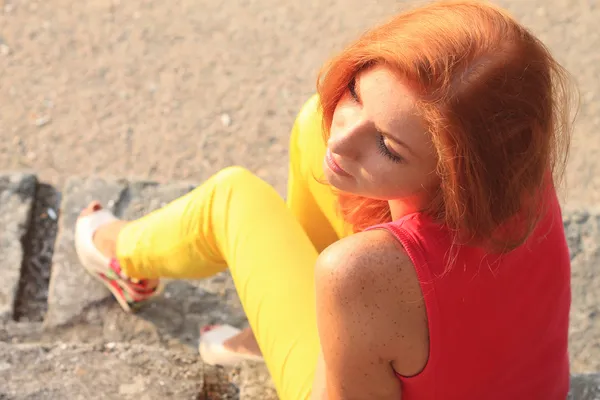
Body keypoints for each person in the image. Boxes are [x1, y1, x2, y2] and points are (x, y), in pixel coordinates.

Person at [74, 1, 577, 399]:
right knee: (311, 123)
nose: (343, 140)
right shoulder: (510, 161)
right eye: (357, 91)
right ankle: (266, 333)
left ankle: (123, 254)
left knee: (232, 197)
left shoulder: (359, 273)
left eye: (386, 146)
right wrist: (382, 140)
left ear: (455, 174)